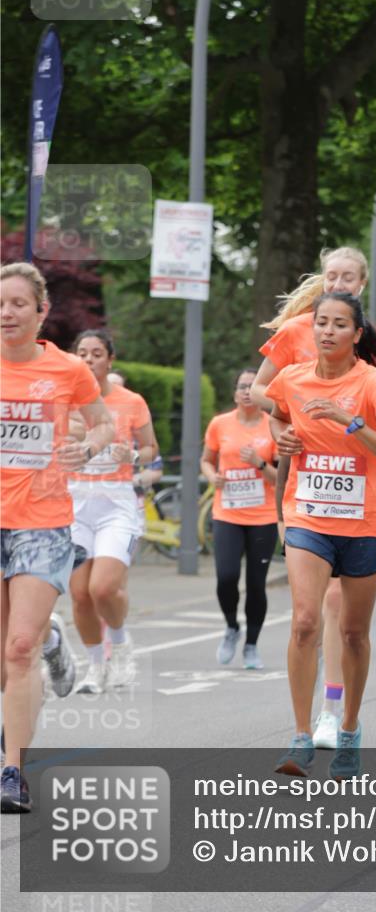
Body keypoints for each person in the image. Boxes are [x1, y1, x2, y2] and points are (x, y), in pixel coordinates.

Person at [251, 246, 376, 749]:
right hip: (306, 490)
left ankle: (339, 715)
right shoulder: (296, 335)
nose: (339, 280)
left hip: (364, 497)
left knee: (349, 624)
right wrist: (284, 426)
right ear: (321, 280)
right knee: (305, 618)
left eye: (348, 276)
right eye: (331, 274)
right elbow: (264, 394)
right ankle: (305, 730)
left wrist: (368, 407)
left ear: (362, 286)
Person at [1, 263, 113, 812]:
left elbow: (103, 423)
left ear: (41, 311)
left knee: (16, 649)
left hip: (41, 518)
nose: (7, 313)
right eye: (0, 304)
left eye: (19, 303)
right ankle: (52, 641)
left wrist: (88, 447)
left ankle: (11, 771)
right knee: (6, 657)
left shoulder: (69, 370)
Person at [68, 330, 159, 695]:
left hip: (116, 504)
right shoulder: (66, 399)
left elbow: (152, 448)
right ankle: (95, 666)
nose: (89, 360)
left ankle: (120, 644)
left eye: (96, 353)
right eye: (83, 353)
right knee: (79, 594)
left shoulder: (131, 401)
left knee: (103, 588)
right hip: (75, 503)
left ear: (110, 360)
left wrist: (133, 456)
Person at [200, 368, 278, 670]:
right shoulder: (220, 424)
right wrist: (212, 477)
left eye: (252, 386)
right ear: (235, 393)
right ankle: (232, 626)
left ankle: (251, 645)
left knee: (256, 584)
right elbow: (206, 460)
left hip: (263, 516)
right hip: (227, 514)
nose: (247, 391)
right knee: (227, 577)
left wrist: (258, 463)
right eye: (242, 386)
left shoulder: (274, 426)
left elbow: (281, 478)